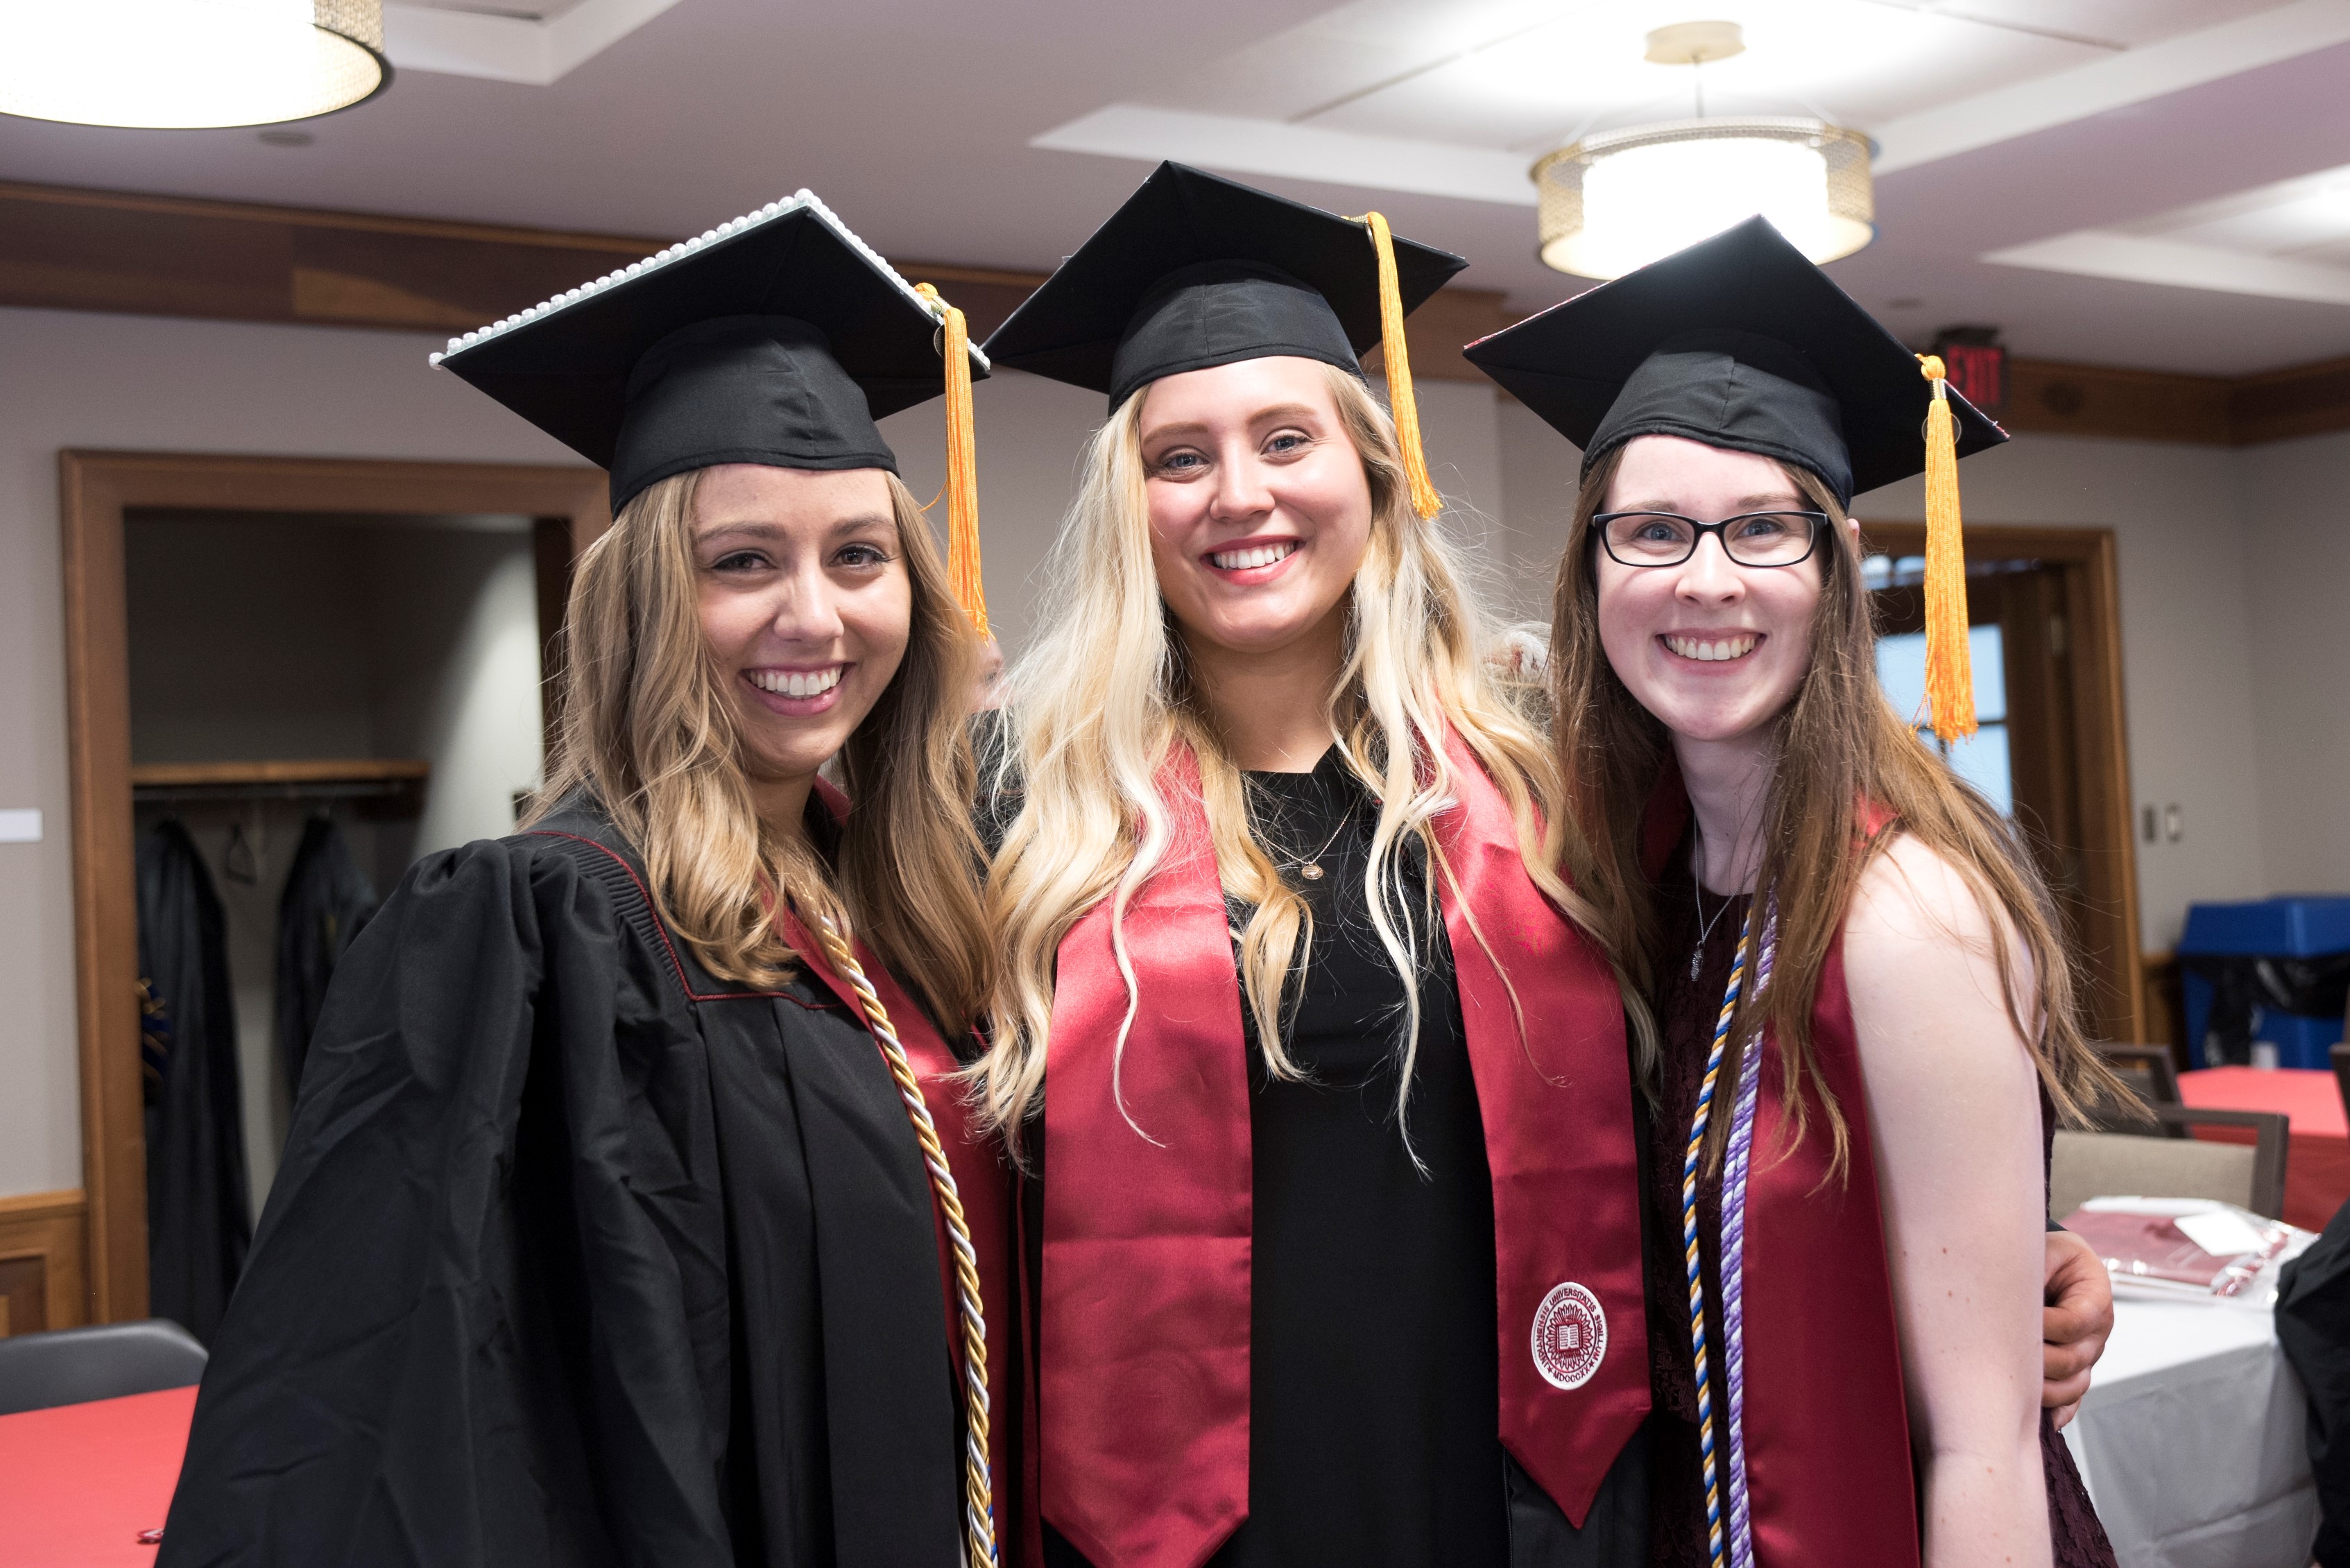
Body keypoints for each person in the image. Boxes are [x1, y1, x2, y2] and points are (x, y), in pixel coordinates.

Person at [158, 193, 1013, 1568]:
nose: (814, 613)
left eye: (858, 555)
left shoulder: (906, 903)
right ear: (645, 603)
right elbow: (421, 1416)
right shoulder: (536, 928)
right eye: (741, 562)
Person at [973, 162, 1654, 1568]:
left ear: (1370, 468)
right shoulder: (1017, 810)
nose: (1240, 496)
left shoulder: (1544, 777)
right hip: (1179, 1516)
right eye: (1179, 457)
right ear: (1129, 503)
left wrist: (2010, 1253)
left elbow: (1731, 1078)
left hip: (1507, 1486)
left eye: (1286, 440)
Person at [1466, 216, 2122, 1568]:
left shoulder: (1905, 914)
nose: (1705, 580)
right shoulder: (1624, 883)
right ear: (1588, 575)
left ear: (1830, 569)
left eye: (1761, 529)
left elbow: (1982, 1443)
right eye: (1650, 532)